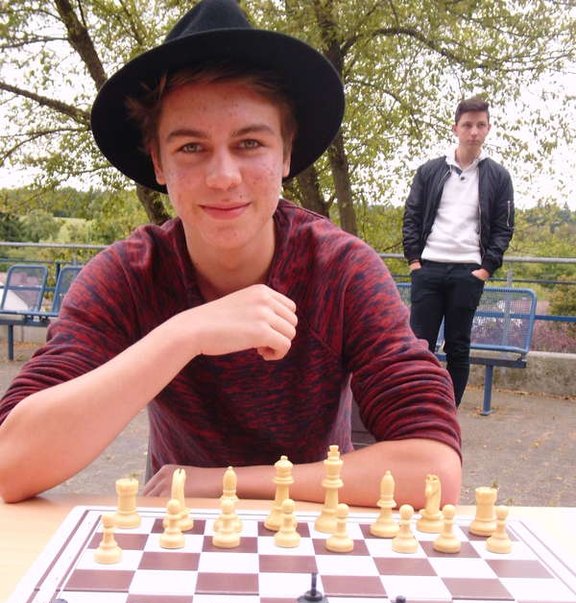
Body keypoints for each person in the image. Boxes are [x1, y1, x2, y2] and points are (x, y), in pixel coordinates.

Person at [0, 0, 461, 506]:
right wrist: (185, 334)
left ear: (286, 154)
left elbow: (435, 470)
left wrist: (227, 482)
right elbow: (9, 463)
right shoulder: (128, 276)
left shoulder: (341, 271)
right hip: (178, 531)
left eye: (249, 144)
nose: (223, 177)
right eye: (191, 148)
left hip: (311, 524)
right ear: (158, 163)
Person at [402, 97, 514, 406]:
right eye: (467, 125)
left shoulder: (498, 176)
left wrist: (485, 270)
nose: (474, 132)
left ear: (488, 129)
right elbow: (412, 216)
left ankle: (447, 413)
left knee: (458, 348)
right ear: (456, 128)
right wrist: (414, 261)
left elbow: (504, 227)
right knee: (419, 346)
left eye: (480, 125)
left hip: (468, 272)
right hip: (428, 268)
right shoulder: (430, 171)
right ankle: (416, 409)